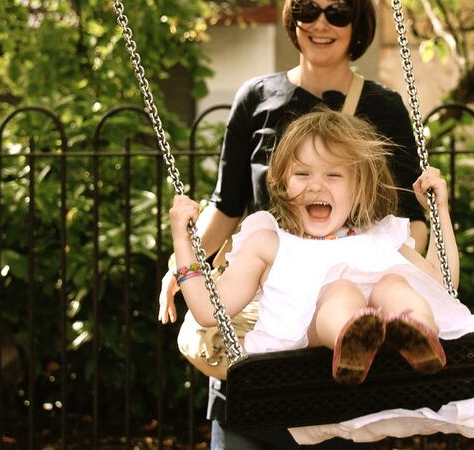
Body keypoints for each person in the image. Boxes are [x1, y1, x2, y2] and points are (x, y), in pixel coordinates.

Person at [170, 110, 474, 449]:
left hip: (380, 367)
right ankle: (355, 336)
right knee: (341, 290)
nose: (316, 185)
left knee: (394, 285)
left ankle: (416, 336)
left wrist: (440, 213)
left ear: (359, 186)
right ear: (281, 182)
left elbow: (442, 286)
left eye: (333, 174)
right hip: (303, 367)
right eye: (302, 174)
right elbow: (207, 310)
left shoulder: (379, 237)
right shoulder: (270, 242)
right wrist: (183, 241)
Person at [159, 0, 429, 447]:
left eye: (337, 12)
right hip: (265, 306)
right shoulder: (257, 97)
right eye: (307, 8)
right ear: (292, 17)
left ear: (357, 22)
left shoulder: (384, 108)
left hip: (350, 318)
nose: (320, 23)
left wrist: (404, 274)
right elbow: (228, 204)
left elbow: (409, 217)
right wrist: (180, 263)